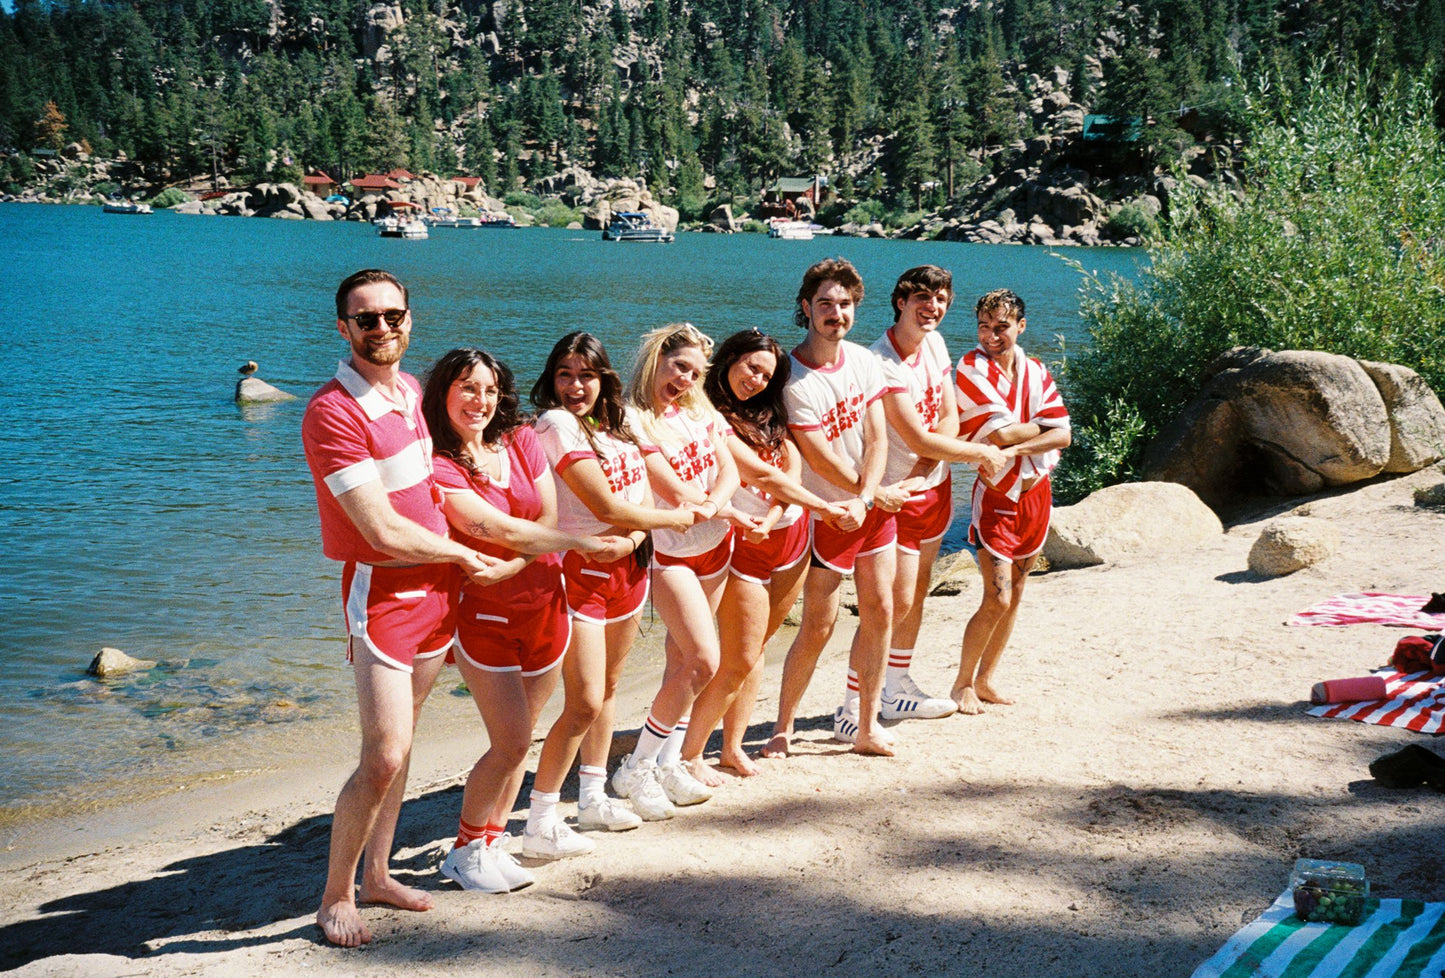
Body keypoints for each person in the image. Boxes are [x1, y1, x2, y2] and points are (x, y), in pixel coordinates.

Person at [301, 270, 507, 946]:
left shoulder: (412, 391)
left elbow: (433, 485)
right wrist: (459, 552)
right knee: (383, 753)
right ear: (344, 329)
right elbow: (381, 530)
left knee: (407, 739)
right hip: (384, 595)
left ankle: (379, 876)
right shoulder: (332, 411)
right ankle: (336, 897)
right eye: (366, 320)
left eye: (393, 316)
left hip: (435, 598)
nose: (381, 329)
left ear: (409, 321)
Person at [421, 348, 618, 888]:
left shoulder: (522, 438)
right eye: (466, 387)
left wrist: (515, 565)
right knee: (507, 741)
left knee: (523, 738)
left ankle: (489, 839)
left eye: (488, 389)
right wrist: (584, 545)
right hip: (483, 615)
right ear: (443, 393)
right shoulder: (438, 463)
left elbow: (544, 517)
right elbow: (492, 527)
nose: (479, 400)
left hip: (545, 610)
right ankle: (463, 851)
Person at [525, 332, 700, 831]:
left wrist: (650, 527)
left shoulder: (614, 424)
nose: (575, 386)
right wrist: (669, 520)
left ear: (604, 378)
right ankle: (540, 817)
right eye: (564, 374)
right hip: (579, 572)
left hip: (628, 568)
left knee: (608, 688)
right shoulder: (556, 424)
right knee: (581, 700)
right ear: (551, 379)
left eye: (586, 375)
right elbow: (602, 506)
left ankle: (592, 796)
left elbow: (647, 483)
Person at [678, 329, 857, 784]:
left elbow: (790, 462)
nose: (756, 380)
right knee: (737, 656)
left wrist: (782, 508)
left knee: (756, 650)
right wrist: (824, 507)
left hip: (790, 536)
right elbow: (756, 471)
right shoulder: (708, 413)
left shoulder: (769, 411)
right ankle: (689, 753)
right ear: (730, 359)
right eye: (750, 367)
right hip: (746, 544)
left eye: (766, 375)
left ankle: (731, 747)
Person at [764, 258, 914, 759]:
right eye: (825, 303)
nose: (836, 313)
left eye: (845, 304)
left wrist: (871, 495)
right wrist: (863, 495)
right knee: (819, 624)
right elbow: (816, 457)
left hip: (871, 505)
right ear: (806, 308)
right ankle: (782, 727)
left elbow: (877, 436)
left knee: (882, 610)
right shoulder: (791, 376)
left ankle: (865, 725)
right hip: (828, 513)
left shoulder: (864, 360)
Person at [611, 323, 753, 808]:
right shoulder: (632, 418)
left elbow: (730, 466)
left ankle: (667, 763)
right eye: (679, 368)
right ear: (657, 358)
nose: (686, 380)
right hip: (671, 551)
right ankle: (636, 767)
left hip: (714, 544)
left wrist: (717, 505)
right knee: (703, 660)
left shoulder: (699, 409)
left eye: (695, 373)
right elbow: (670, 486)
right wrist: (722, 506)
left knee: (681, 663)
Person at [871, 266, 1006, 722]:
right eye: (922, 297)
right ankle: (860, 698)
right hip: (896, 494)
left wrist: (929, 465)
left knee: (920, 591)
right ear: (900, 302)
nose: (933, 307)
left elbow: (946, 417)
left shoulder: (935, 343)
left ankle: (896, 685)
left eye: (942, 299)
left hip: (933, 487)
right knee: (896, 600)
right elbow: (915, 435)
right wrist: (979, 452)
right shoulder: (882, 362)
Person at [952, 288, 1071, 714]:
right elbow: (1000, 434)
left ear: (1020, 326)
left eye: (1001, 327)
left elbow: (1064, 435)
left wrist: (1025, 439)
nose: (990, 336)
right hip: (998, 494)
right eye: (983, 326)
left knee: (1016, 594)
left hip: (1036, 491)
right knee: (997, 597)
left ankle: (985, 680)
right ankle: (962, 682)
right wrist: (1040, 426)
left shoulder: (1035, 370)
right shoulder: (969, 367)